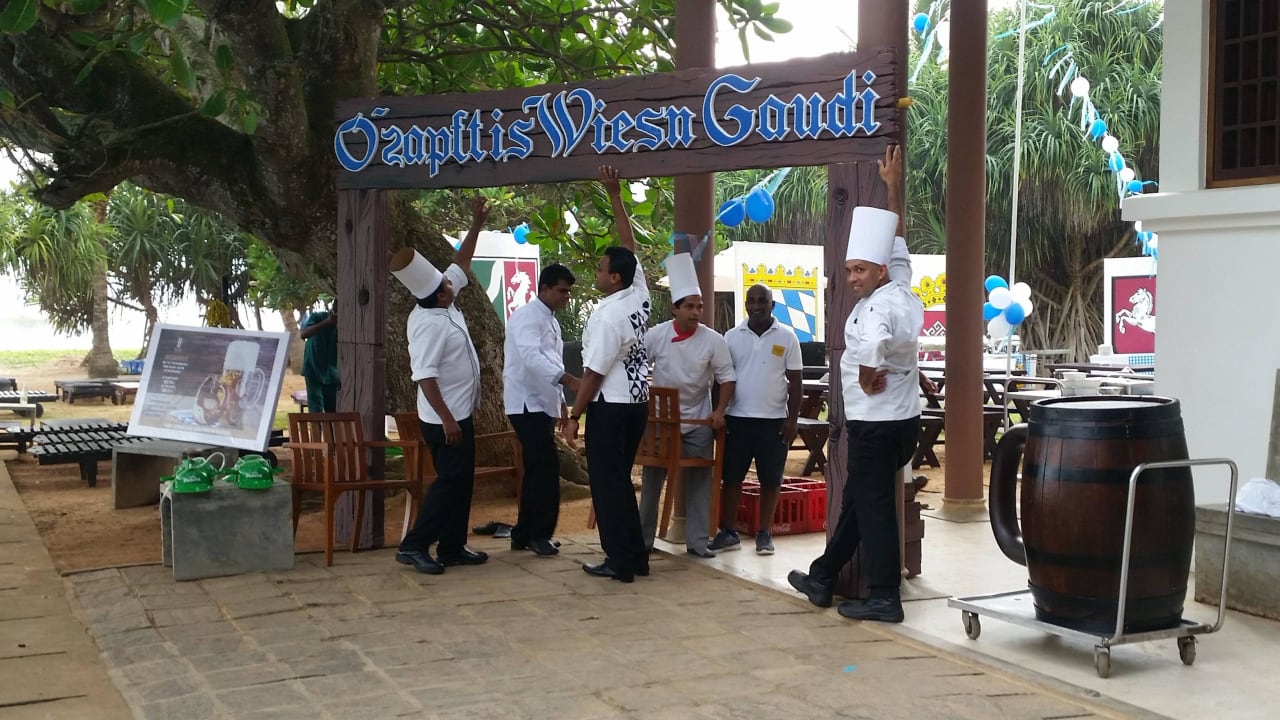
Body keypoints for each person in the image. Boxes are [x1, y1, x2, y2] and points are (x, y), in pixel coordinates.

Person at [787, 197, 925, 623]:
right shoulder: (901, 288)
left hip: (875, 425)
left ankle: (885, 596)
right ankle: (823, 576)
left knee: (874, 507)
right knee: (859, 502)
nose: (852, 278)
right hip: (902, 422)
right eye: (849, 270)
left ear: (879, 271)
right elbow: (898, 244)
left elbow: (874, 342)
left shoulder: (879, 307)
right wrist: (893, 189)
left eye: (860, 270)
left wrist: (867, 376)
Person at [391, 197, 492, 575]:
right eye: (446, 285)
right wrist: (448, 419)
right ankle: (415, 544)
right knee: (449, 481)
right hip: (443, 417)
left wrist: (477, 223)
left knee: (462, 482)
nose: (452, 284)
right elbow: (425, 376)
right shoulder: (428, 324)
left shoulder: (443, 300)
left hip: (460, 412)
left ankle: (452, 546)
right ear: (438, 295)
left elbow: (461, 263)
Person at [562, 165, 651, 583]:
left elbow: (594, 373)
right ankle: (635, 556)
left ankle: (620, 560)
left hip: (610, 407)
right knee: (620, 481)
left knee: (608, 484)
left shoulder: (606, 317)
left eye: (600, 269)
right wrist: (615, 195)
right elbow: (629, 246)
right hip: (637, 404)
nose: (596, 273)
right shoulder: (639, 293)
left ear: (614, 278)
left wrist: (574, 414)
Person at [638, 253, 736, 558]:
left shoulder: (713, 340)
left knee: (700, 480)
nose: (696, 312)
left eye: (699, 306)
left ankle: (697, 542)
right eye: (690, 306)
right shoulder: (656, 335)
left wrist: (718, 412)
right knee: (652, 479)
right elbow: (637, 368)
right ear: (675, 309)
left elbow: (727, 378)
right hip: (661, 422)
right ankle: (643, 541)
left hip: (698, 420)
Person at [710, 283, 803, 556]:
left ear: (772, 305)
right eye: (752, 301)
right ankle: (729, 532)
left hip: (774, 421)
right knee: (731, 478)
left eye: (763, 301)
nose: (757, 306)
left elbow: (796, 383)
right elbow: (721, 379)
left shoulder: (787, 337)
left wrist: (792, 420)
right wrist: (718, 412)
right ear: (746, 305)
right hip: (736, 419)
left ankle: (764, 533)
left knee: (771, 480)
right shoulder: (731, 337)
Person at [504, 263, 580, 557]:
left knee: (538, 468)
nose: (566, 297)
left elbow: (552, 360)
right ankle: (538, 533)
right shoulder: (526, 317)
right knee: (544, 469)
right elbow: (531, 358)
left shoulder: (551, 320)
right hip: (526, 402)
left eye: (569, 292)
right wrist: (568, 380)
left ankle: (524, 533)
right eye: (562, 291)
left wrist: (560, 400)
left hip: (543, 403)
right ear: (544, 289)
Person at [298, 304, 338, 412]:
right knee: (316, 409)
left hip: (332, 373)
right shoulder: (318, 317)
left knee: (332, 410)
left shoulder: (348, 324)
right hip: (313, 369)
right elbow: (303, 334)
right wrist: (327, 323)